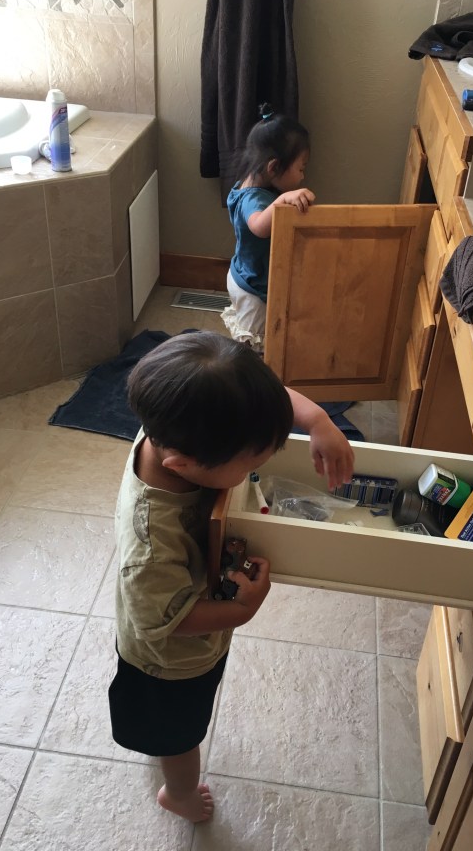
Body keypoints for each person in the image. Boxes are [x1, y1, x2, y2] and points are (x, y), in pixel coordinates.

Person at [108, 331, 353, 824]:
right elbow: (164, 620)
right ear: (183, 465)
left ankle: (165, 753)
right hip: (168, 662)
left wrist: (317, 420)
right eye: (251, 464)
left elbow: (265, 398)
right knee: (179, 736)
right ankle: (177, 793)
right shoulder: (152, 543)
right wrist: (241, 609)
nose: (257, 469)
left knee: (171, 726)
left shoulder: (175, 420)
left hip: (183, 628)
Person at [221, 104, 315, 351]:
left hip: (244, 273)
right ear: (273, 167)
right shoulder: (252, 199)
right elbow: (258, 226)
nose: (302, 176)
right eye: (301, 168)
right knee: (255, 349)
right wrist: (283, 200)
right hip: (252, 290)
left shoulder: (248, 184)